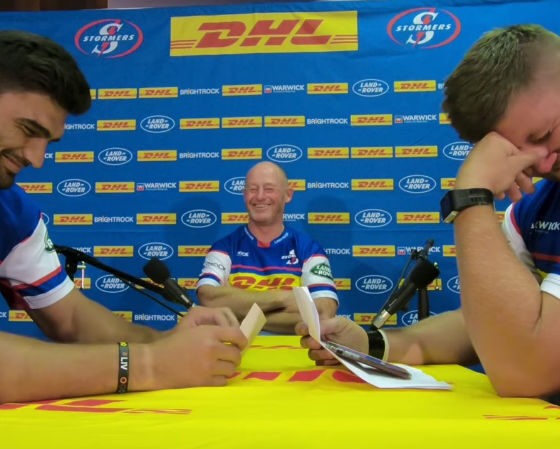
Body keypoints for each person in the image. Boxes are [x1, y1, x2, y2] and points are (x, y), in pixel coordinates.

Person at [298, 24, 560, 399]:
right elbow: (492, 325)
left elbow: (527, 373)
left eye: (546, 133)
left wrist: (471, 198)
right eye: (522, 152)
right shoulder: (530, 210)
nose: (544, 162)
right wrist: (371, 344)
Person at [0, 30, 247, 404]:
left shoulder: (13, 213)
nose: (36, 159)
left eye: (47, 142)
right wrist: (149, 365)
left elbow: (70, 317)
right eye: (27, 130)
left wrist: (168, 343)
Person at [197, 161, 338, 333]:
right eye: (252, 189)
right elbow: (207, 298)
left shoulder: (309, 250)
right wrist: (282, 298)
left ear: (288, 195)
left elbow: (323, 312)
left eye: (269, 189)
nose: (260, 196)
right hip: (236, 349)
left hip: (294, 350)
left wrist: (237, 309)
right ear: (244, 195)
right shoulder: (224, 247)